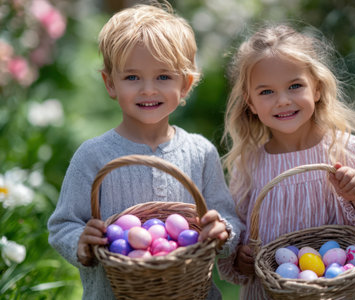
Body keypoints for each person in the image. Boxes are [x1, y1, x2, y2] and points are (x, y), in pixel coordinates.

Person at [47, 2, 244, 299]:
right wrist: (81, 242)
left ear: (186, 85)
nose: (148, 89)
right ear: (110, 83)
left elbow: (228, 219)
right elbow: (62, 225)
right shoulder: (93, 157)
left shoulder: (200, 153)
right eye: (132, 77)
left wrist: (221, 232)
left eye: (163, 77)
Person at [216, 23, 355, 299]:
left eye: (295, 86)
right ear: (250, 103)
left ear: (316, 89)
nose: (282, 100)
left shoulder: (345, 151)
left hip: (344, 289)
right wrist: (239, 257)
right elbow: (241, 232)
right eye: (266, 92)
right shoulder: (250, 164)